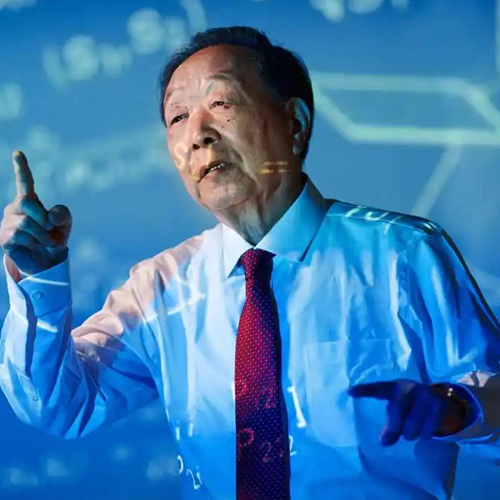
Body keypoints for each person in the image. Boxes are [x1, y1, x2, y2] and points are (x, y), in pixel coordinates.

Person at [1, 25, 500, 500]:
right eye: (178, 117)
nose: (198, 134)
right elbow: (57, 404)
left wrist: (457, 408)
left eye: (221, 102)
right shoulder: (162, 287)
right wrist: (41, 279)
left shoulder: (401, 253)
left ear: (295, 124)